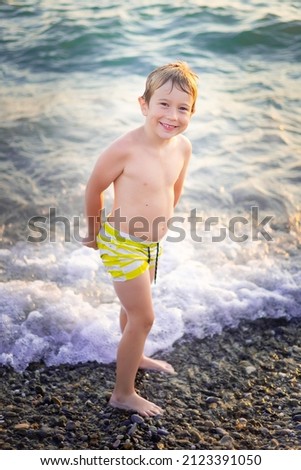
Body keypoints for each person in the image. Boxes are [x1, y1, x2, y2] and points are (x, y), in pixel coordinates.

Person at [83, 61, 198, 416]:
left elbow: (172, 188)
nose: (172, 115)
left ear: (193, 112)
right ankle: (122, 393)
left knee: (132, 310)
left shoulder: (182, 148)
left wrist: (164, 221)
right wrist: (93, 231)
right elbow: (94, 188)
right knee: (144, 317)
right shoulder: (125, 149)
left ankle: (135, 352)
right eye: (163, 104)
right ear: (144, 104)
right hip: (121, 242)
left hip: (152, 243)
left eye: (183, 108)